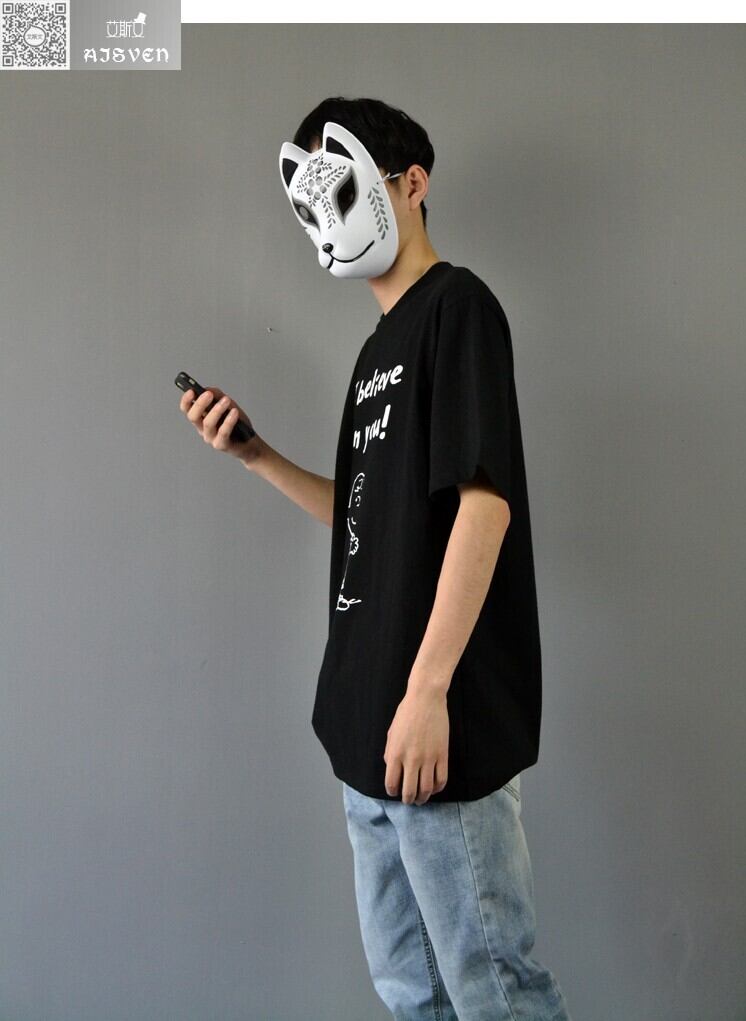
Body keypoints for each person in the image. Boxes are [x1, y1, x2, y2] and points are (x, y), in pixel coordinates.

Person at [179, 95, 571, 1021]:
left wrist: (429, 691)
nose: (327, 221)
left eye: (344, 190)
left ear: (411, 183)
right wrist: (256, 455)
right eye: (310, 205)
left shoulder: (457, 309)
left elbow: (485, 501)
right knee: (411, 993)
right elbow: (369, 515)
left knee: (494, 992)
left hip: (434, 734)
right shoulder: (373, 353)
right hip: (364, 735)